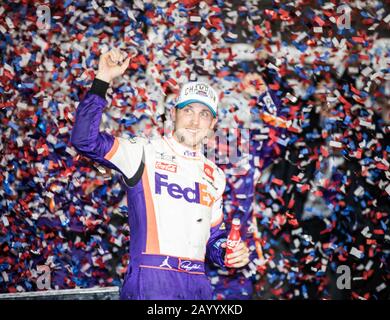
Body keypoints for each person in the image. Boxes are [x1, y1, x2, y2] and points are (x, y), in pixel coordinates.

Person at [70, 48, 250, 300]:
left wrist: (229, 252)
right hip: (152, 279)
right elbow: (84, 141)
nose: (195, 121)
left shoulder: (216, 175)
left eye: (204, 114)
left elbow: (213, 240)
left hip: (198, 284)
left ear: (212, 124)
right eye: (188, 111)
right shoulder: (143, 151)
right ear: (174, 114)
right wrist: (103, 78)